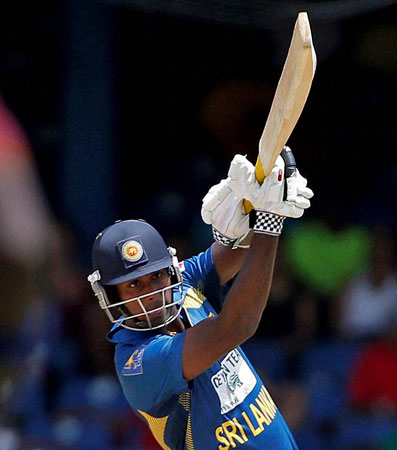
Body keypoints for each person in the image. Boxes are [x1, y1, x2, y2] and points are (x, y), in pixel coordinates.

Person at [87, 153, 313, 450]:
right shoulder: (138, 362)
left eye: (156, 276)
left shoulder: (182, 285)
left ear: (170, 271)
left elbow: (231, 251)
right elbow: (238, 325)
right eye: (134, 285)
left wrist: (248, 208)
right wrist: (269, 220)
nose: (151, 292)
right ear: (112, 296)